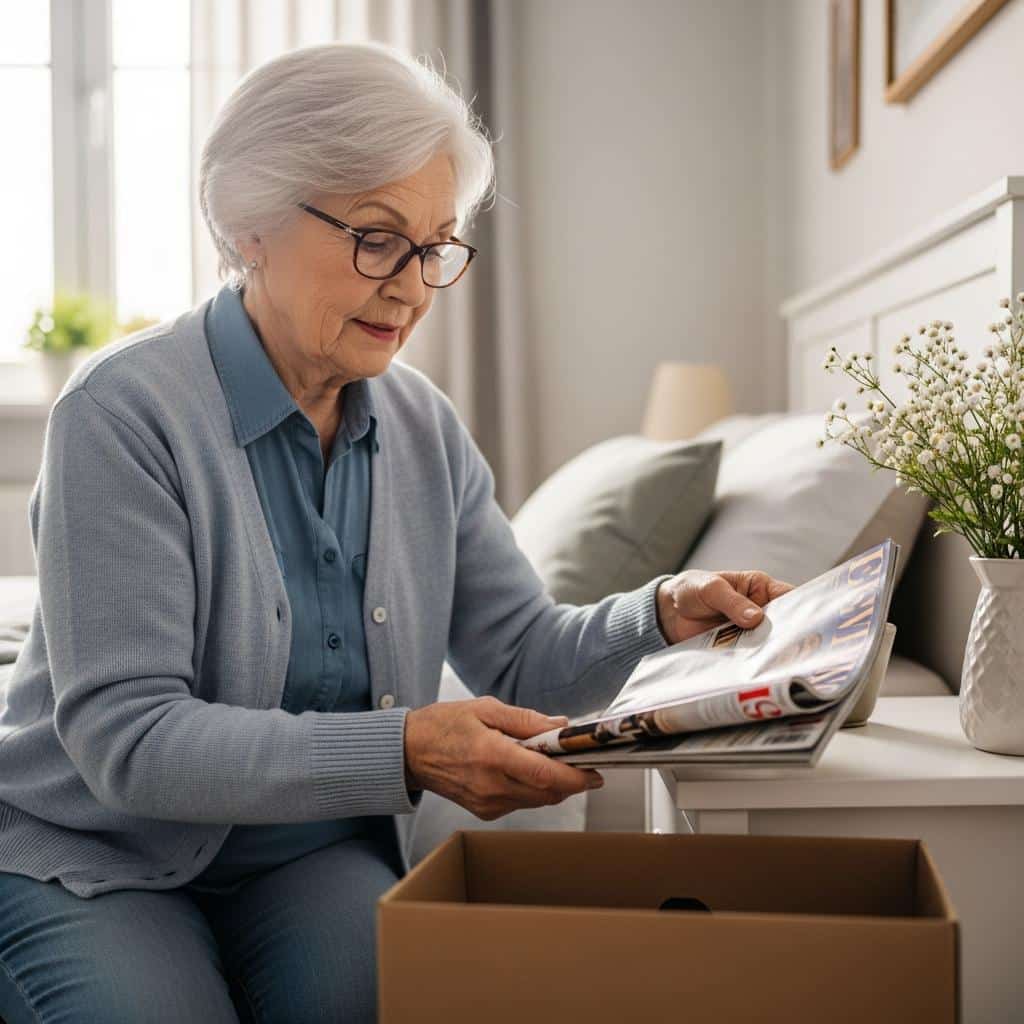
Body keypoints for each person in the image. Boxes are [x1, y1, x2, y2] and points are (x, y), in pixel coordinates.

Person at [0, 40, 792, 1023]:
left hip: (306, 853)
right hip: (97, 856)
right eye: (376, 239)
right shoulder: (122, 412)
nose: (414, 288)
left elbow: (521, 654)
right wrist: (406, 749)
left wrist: (662, 613)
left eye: (435, 247)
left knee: (387, 995)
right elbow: (129, 739)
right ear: (249, 222)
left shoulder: (421, 427)